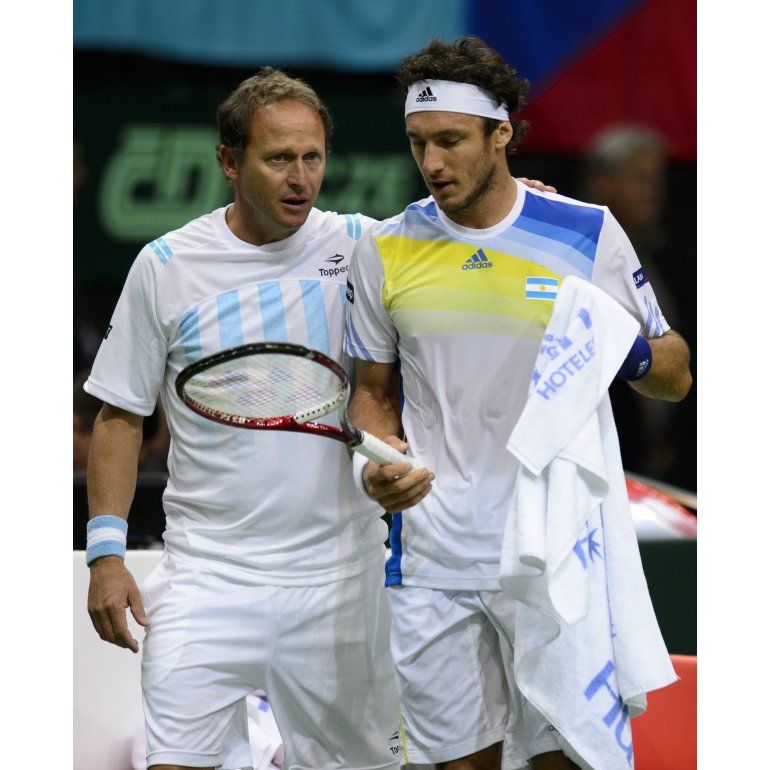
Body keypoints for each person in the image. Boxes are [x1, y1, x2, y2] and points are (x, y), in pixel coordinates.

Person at [345, 38, 692, 770]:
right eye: (418, 143)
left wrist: (615, 345)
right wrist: (378, 459)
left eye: (450, 141)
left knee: (565, 761)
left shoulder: (585, 232)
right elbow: (371, 393)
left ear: (501, 133)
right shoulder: (385, 248)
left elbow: (675, 374)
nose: (432, 162)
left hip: (553, 553)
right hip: (432, 556)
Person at [84, 67, 402, 770]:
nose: (301, 178)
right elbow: (119, 416)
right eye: (279, 158)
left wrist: (514, 206)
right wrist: (106, 554)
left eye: (313, 157)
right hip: (208, 579)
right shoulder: (167, 265)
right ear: (230, 162)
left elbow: (462, 248)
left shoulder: (366, 247)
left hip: (342, 582)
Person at [581, 124, 689, 483]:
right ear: (602, 182)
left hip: (665, 468)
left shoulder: (673, 263)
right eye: (639, 179)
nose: (653, 192)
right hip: (601, 462)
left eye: (657, 180)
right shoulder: (574, 261)